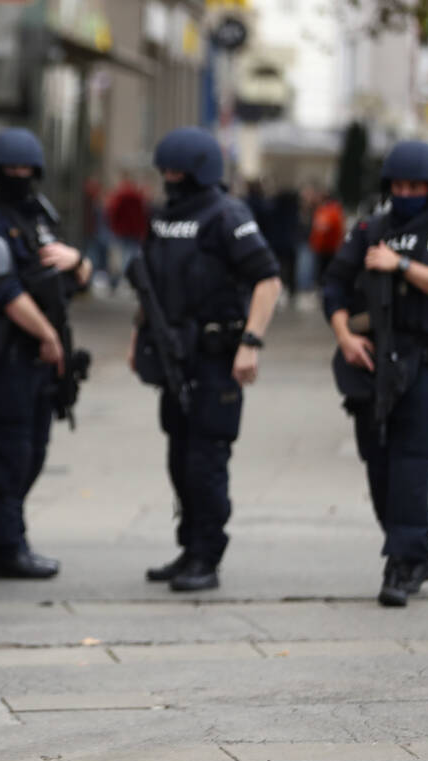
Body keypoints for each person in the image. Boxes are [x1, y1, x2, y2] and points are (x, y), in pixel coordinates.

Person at [322, 140, 428, 607]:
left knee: (411, 461)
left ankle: (404, 563)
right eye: (397, 185)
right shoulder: (371, 227)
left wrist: (403, 265)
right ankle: (414, 551)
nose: (405, 192)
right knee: (377, 463)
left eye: (414, 185)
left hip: (426, 361)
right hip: (372, 358)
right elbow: (333, 284)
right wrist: (344, 337)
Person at [128, 127, 282, 592]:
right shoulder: (163, 217)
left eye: (178, 171)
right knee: (179, 458)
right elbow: (151, 287)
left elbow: (268, 280)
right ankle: (188, 546)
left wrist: (251, 342)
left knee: (205, 461)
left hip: (217, 358)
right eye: (166, 171)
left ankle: (207, 555)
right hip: (175, 355)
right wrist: (139, 338)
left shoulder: (228, 215)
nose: (170, 178)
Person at [0, 127, 91, 579]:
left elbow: (81, 277)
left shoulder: (39, 217)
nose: (19, 175)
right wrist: (46, 334)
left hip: (45, 358)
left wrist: (76, 260)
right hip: (16, 355)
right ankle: (5, 547)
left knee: (36, 450)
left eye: (25, 169)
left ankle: (14, 537)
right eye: (10, 169)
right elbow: (3, 291)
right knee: (13, 454)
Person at [106, 171, 149, 291]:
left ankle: (116, 281)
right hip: (134, 232)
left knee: (119, 258)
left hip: (121, 231)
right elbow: (142, 216)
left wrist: (113, 226)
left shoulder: (119, 196)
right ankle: (127, 280)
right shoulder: (137, 197)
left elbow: (112, 213)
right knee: (129, 256)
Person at [309, 187, 345, 280]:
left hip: (329, 249)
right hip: (321, 248)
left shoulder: (332, 211)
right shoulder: (322, 210)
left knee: (325, 273)